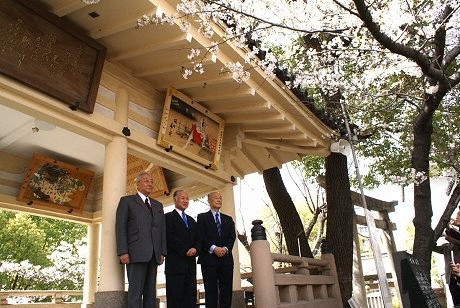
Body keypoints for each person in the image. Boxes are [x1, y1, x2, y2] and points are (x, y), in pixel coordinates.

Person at [115, 172, 167, 308]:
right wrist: (122, 251)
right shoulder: (126, 201)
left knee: (150, 292)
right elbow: (120, 227)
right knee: (135, 292)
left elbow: (162, 229)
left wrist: (162, 252)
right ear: (137, 184)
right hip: (135, 253)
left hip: (154, 254)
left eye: (151, 181)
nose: (150, 183)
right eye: (146, 181)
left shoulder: (158, 205)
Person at [197, 191, 236, 308]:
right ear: (209, 201)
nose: (219, 200)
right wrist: (213, 248)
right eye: (216, 198)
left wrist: (225, 248)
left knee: (226, 291)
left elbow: (232, 236)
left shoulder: (228, 219)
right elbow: (200, 235)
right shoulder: (202, 217)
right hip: (209, 260)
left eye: (220, 198)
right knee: (211, 291)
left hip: (226, 260)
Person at [165, 190, 200, 308]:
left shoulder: (191, 220)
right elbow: (169, 237)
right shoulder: (167, 218)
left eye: (187, 199)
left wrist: (195, 249)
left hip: (190, 266)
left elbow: (198, 238)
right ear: (175, 199)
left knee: (190, 298)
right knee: (175, 299)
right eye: (182, 198)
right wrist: (185, 249)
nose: (185, 201)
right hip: (175, 265)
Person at [434, 210, 460, 306]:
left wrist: (447, 233)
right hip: (451, 279)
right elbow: (433, 247)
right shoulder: (446, 247)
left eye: (459, 214)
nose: (456, 216)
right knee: (456, 302)